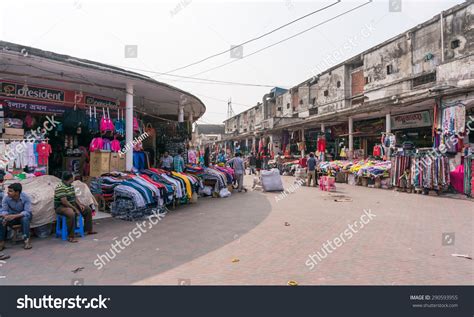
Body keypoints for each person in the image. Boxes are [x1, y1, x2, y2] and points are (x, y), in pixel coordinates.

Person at [55, 172, 97, 243]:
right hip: (61, 206)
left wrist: (80, 205)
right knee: (71, 213)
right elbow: (64, 201)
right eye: (73, 177)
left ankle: (88, 230)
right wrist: (75, 209)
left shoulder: (70, 186)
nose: (74, 178)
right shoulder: (60, 187)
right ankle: (70, 236)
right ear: (70, 178)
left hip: (71, 204)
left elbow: (74, 197)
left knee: (87, 209)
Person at [0, 183, 33, 250]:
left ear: (17, 192)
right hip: (11, 217)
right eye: (8, 190)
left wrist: (14, 216)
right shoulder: (6, 198)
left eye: (10, 191)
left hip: (22, 216)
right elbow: (4, 210)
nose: (8, 192)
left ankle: (26, 241)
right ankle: (1, 242)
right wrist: (5, 216)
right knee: (2, 220)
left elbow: (27, 212)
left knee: (25, 219)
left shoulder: (26, 197)